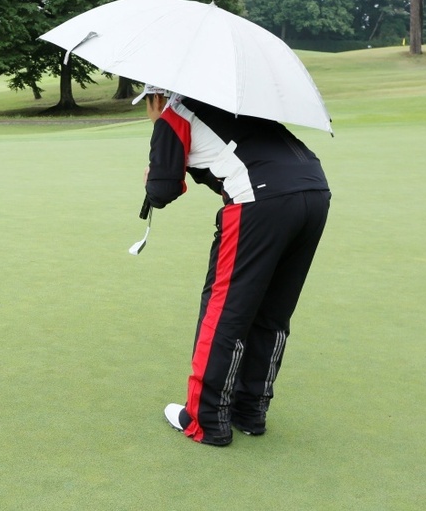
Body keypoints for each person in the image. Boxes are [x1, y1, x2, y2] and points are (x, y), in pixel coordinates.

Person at [133, 84, 331, 447]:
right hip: (315, 192)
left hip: (259, 202)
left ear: (157, 97)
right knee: (272, 310)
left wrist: (154, 181)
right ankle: (249, 411)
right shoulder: (233, 103)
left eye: (147, 103)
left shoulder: (172, 114)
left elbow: (162, 192)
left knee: (224, 312)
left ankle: (205, 419)